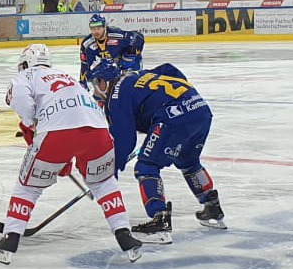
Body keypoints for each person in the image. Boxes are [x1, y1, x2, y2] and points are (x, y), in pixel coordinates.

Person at [0, 44, 142, 264]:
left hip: (57, 130)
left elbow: (21, 100)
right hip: (98, 130)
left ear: (25, 63)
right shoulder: (66, 76)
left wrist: (31, 123)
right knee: (104, 183)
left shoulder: (25, 76)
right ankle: (124, 234)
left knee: (28, 186)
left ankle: (10, 238)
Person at [88, 58, 226, 244]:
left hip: (173, 118)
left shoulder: (115, 97)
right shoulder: (135, 76)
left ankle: (159, 220)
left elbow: (123, 141)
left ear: (103, 82)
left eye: (95, 84)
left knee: (146, 166)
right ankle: (212, 207)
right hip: (200, 109)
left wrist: (109, 174)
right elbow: (169, 68)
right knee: (188, 161)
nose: (94, 90)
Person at [78, 14, 143, 85]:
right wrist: (83, 83)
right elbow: (85, 65)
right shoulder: (87, 44)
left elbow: (138, 37)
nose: (96, 31)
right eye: (93, 29)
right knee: (94, 75)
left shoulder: (117, 35)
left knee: (130, 85)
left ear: (104, 27)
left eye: (98, 28)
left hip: (130, 65)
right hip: (112, 66)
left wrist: (130, 54)